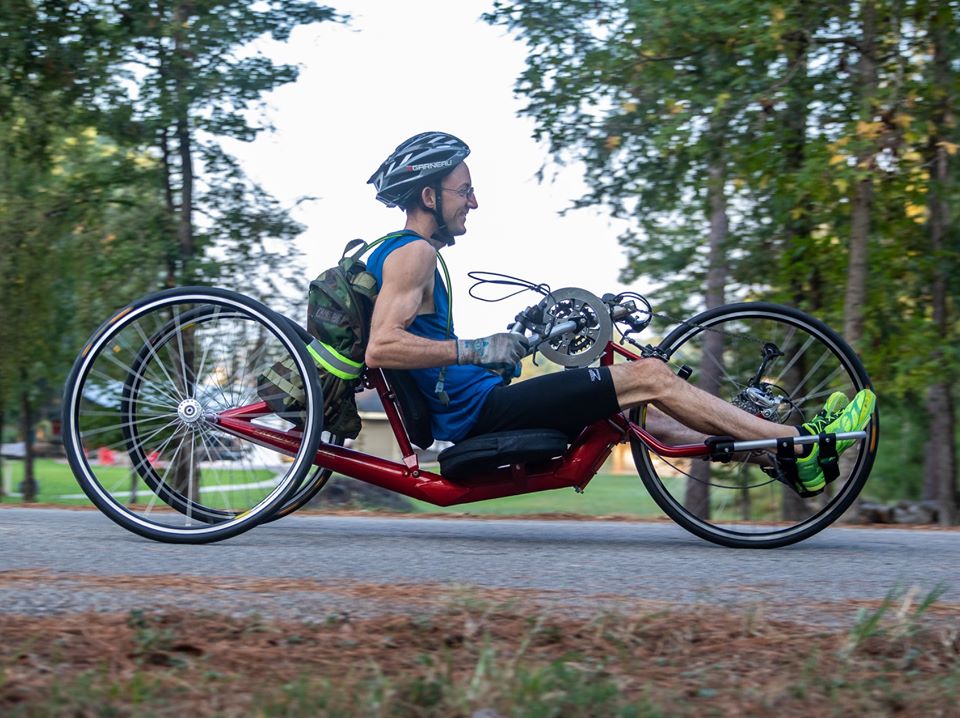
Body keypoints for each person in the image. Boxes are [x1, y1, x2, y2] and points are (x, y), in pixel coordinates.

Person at [363, 131, 876, 493]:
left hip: (484, 400)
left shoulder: (409, 254)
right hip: (481, 416)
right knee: (649, 373)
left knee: (639, 409)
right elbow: (383, 345)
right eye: (464, 190)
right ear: (428, 195)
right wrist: (476, 350)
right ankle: (801, 441)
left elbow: (431, 355)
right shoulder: (414, 252)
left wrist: (497, 351)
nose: (473, 202)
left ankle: (781, 459)